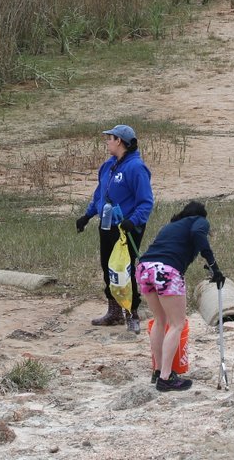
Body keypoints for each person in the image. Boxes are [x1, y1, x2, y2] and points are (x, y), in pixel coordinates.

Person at [135, 201, 224, 392]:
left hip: (144, 268)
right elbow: (198, 235)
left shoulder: (171, 226)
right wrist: (214, 266)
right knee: (177, 324)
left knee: (159, 321)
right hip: (166, 270)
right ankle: (166, 378)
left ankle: (158, 372)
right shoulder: (199, 221)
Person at [76, 125, 153, 333]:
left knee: (124, 269)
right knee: (107, 267)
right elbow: (100, 194)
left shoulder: (136, 168)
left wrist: (133, 221)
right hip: (107, 224)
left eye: (109, 138)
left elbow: (146, 202)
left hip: (127, 228)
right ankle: (114, 311)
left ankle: (132, 313)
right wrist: (87, 215)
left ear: (119, 141)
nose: (107, 142)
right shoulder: (108, 165)